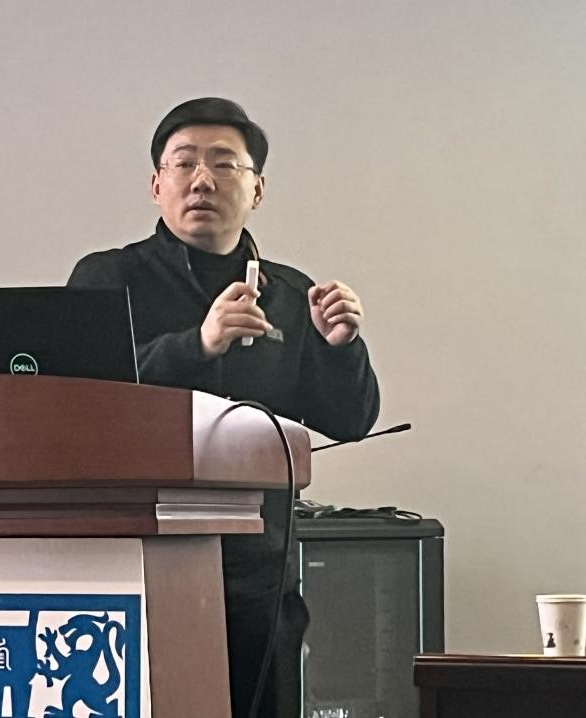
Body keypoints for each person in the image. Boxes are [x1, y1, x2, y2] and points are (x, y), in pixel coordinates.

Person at [67, 97, 380, 717]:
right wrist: (198, 344)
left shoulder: (292, 293)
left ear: (257, 189)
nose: (202, 180)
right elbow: (80, 400)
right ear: (156, 184)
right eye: (184, 163)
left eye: (224, 164)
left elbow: (350, 420)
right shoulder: (107, 279)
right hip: (132, 561)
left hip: (256, 572)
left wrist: (342, 348)